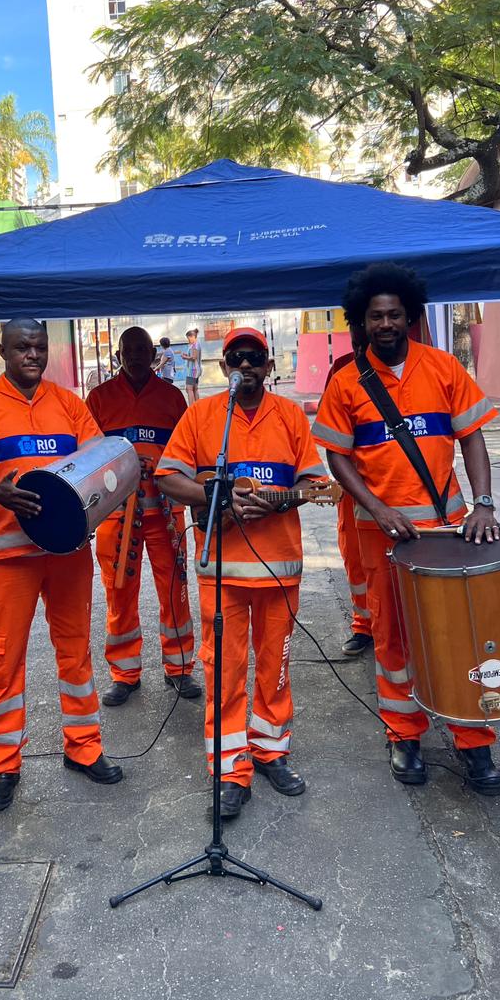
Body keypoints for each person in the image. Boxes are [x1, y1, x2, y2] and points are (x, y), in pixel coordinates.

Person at [314, 263, 500, 795]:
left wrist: (483, 503)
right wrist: (375, 507)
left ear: (411, 316)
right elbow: (337, 456)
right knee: (392, 637)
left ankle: (474, 741)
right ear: (362, 321)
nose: (386, 323)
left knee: (458, 636)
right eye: (375, 316)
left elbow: (472, 439)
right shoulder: (348, 380)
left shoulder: (443, 367)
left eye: (394, 314)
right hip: (383, 538)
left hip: (447, 533)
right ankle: (405, 734)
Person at [0, 317, 123, 818]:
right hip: (8, 555)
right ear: (2, 349)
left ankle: (84, 745)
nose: (33, 355)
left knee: (75, 650)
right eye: (23, 347)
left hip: (66, 553)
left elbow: (100, 463)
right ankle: (3, 764)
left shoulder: (69, 404)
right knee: (3, 660)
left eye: (40, 347)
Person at [156, 327, 329, 819]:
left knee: (274, 668)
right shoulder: (203, 415)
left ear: (269, 366)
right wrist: (216, 496)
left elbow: (314, 482)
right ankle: (230, 768)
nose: (246, 365)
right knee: (224, 672)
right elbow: (167, 477)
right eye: (237, 357)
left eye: (255, 357)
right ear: (223, 366)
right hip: (221, 573)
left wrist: (281, 503)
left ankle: (271, 750)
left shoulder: (292, 415)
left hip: (278, 572)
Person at [87, 327, 200, 707]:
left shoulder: (171, 397)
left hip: (166, 512)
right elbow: (88, 456)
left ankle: (180, 668)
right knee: (119, 594)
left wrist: (160, 467)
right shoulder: (99, 399)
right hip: (117, 516)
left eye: (142, 348)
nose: (135, 355)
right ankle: (124, 673)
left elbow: (189, 453)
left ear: (153, 353)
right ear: (119, 354)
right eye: (128, 349)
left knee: (175, 592)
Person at [322, 323, 373, 658]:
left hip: (398, 486)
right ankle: (364, 625)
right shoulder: (341, 368)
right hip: (352, 483)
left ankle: (405, 625)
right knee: (355, 559)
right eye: (354, 338)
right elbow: (330, 431)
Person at [181, 328, 202, 404]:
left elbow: (194, 357)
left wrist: (184, 357)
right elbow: (193, 356)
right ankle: (197, 406)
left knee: (189, 389)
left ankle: (192, 407)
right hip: (196, 369)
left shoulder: (194, 345)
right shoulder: (197, 344)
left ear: (192, 336)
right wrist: (187, 355)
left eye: (188, 338)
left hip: (192, 370)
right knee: (195, 389)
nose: (188, 340)